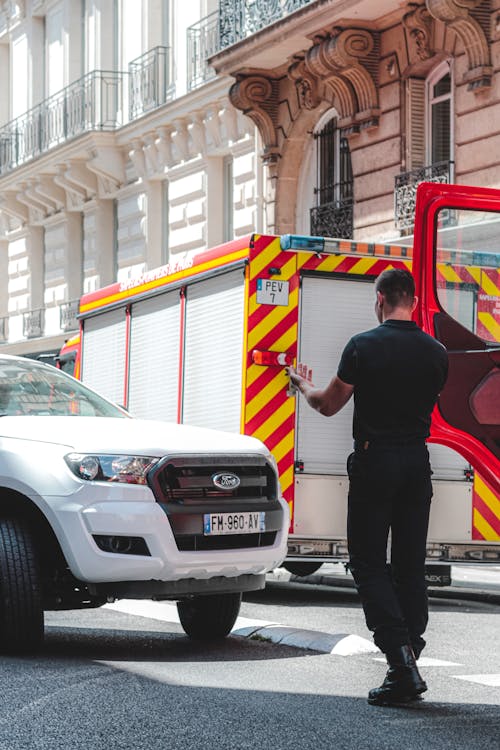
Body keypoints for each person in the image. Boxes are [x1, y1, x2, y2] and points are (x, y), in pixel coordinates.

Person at [286, 268, 448, 706]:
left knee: (367, 561)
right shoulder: (437, 353)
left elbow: (327, 405)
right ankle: (409, 652)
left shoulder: (362, 347)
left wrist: (302, 385)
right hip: (417, 463)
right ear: (412, 301)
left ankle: (400, 661)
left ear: (379, 300)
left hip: (375, 461)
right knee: (411, 564)